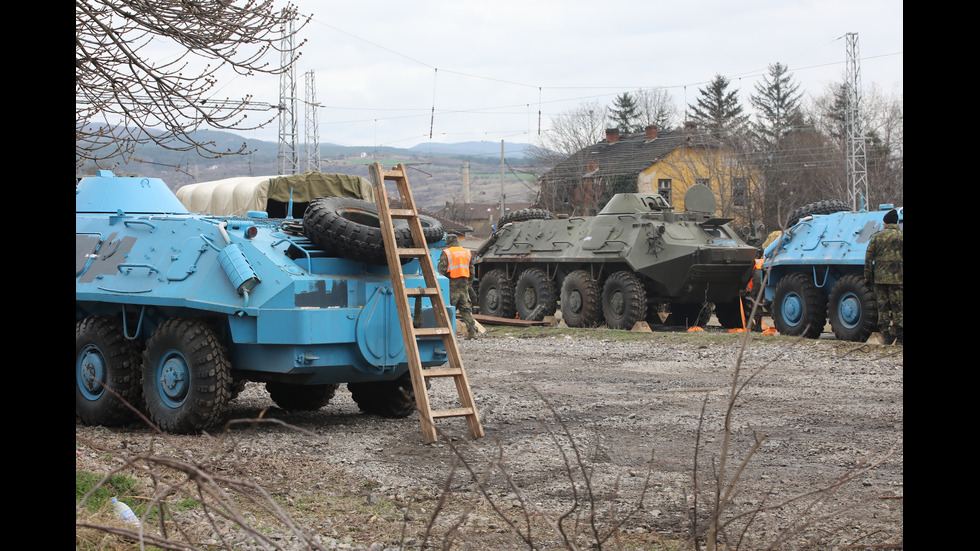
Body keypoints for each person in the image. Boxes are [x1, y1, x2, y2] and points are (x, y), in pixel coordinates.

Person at [864, 209, 903, 344]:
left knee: (883, 307)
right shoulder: (901, 236)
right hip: (899, 279)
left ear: (885, 222)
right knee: (898, 307)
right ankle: (900, 337)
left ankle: (885, 336)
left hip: (880, 279)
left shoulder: (877, 237)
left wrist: (867, 277)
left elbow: (869, 257)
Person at [437, 234, 480, 339]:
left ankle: (447, 334)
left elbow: (441, 270)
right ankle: (472, 333)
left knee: (448, 309)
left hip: (451, 285)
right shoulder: (467, 252)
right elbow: (472, 270)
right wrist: (469, 284)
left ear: (448, 243)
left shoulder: (447, 253)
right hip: (464, 285)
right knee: (466, 309)